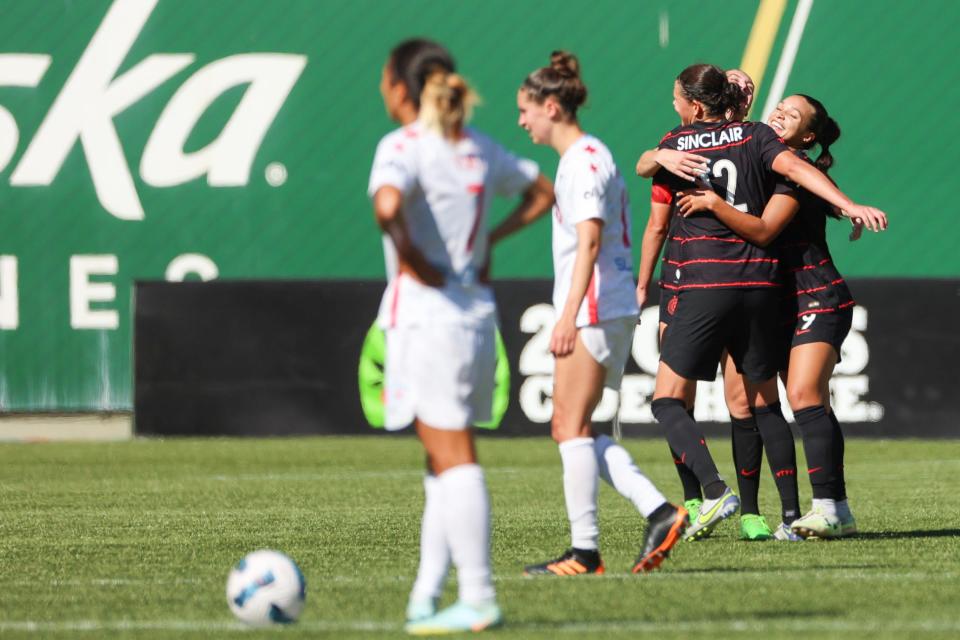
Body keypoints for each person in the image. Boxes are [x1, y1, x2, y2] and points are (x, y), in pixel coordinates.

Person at [639, 63, 886, 542]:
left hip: (803, 291)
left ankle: (805, 507)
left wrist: (849, 205)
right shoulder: (750, 145)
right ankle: (802, 511)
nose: (779, 115)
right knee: (758, 399)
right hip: (768, 295)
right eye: (779, 108)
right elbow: (654, 159)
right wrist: (659, 155)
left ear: (809, 135)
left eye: (792, 115)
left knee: (795, 397)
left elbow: (765, 228)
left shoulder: (787, 164)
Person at [369, 38, 554, 634]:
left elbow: (387, 204)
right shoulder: (476, 146)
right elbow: (541, 192)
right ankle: (426, 593)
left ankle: (477, 595)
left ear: (400, 87)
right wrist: (488, 243)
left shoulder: (404, 146)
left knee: (454, 458)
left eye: (384, 81)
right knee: (441, 458)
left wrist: (412, 256)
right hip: (475, 314)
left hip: (429, 317)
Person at [516, 51, 688, 577]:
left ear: (551, 106)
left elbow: (589, 239)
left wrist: (565, 316)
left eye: (526, 110)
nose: (522, 121)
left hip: (593, 307)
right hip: (604, 305)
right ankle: (658, 512)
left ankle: (585, 552)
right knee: (580, 428)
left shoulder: (584, 161)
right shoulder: (585, 158)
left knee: (569, 427)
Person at [636, 70, 800, 542]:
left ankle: (744, 507)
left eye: (749, 86)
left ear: (695, 103)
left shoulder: (754, 143)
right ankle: (697, 501)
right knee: (689, 397)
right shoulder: (701, 147)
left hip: (716, 282)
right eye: (736, 84)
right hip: (694, 281)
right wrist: (659, 156)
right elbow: (656, 215)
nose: (744, 91)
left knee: (739, 400)